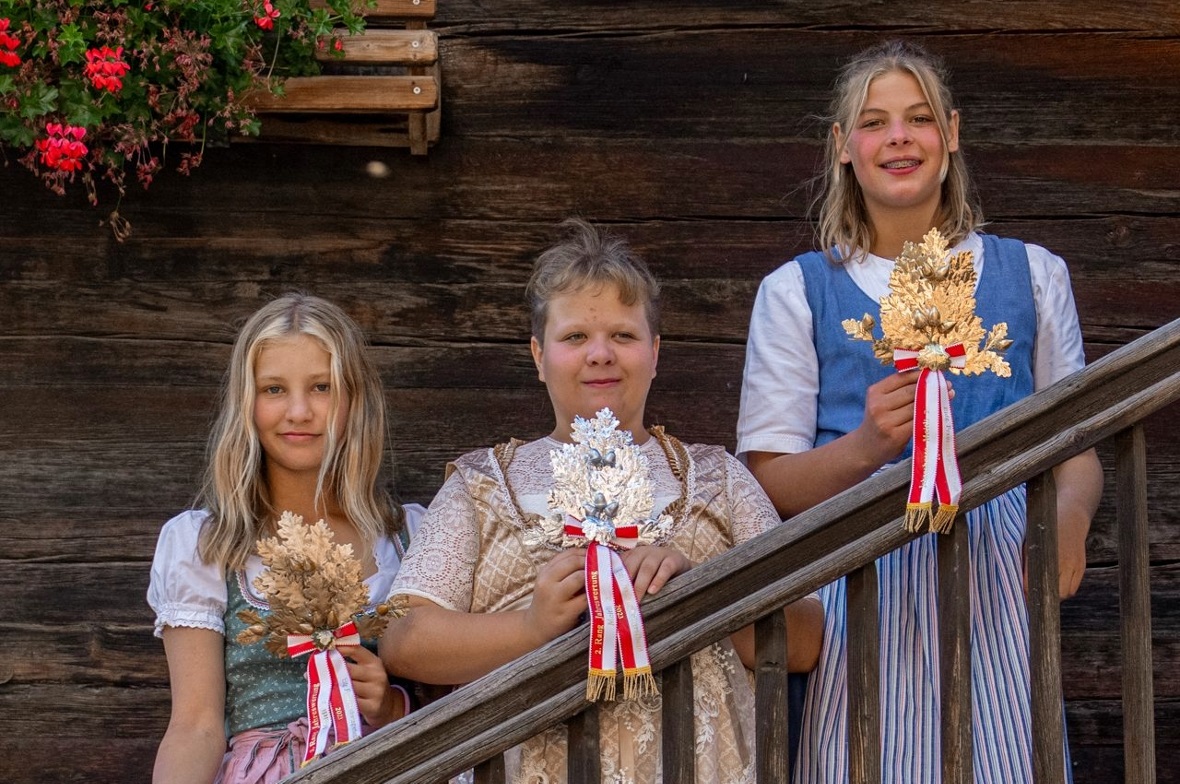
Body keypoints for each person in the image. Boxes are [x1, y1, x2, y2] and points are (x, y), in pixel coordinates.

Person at [736, 40, 1103, 784]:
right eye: (874, 122)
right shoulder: (797, 292)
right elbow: (768, 483)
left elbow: (1078, 449)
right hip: (863, 583)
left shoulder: (1031, 273)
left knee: (1007, 758)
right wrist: (869, 444)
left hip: (998, 578)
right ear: (844, 148)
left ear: (953, 134)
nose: (898, 137)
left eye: (919, 118)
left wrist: (1069, 519)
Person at [381, 218, 824, 783]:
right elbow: (405, 641)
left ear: (655, 352)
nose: (600, 354)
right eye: (574, 338)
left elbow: (807, 637)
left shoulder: (720, 477)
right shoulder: (481, 483)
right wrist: (534, 628)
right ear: (538, 356)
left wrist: (701, 594)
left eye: (623, 335)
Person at [148, 293, 425, 784]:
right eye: (274, 389)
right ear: (246, 403)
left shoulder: (410, 536)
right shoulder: (207, 546)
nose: (298, 411)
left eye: (321, 387)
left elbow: (453, 703)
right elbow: (196, 725)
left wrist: (390, 706)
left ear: (354, 400)